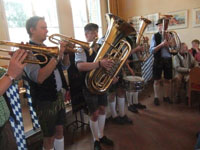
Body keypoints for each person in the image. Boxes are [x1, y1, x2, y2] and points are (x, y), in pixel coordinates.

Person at [24, 16, 70, 150]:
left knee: (60, 130)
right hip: (44, 100)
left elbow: (65, 67)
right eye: (43, 27)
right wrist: (57, 57)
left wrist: (65, 53)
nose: (47, 30)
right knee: (49, 137)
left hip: (58, 96)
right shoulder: (27, 51)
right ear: (32, 30)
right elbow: (39, 77)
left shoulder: (48, 48)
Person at [75, 23, 114, 150]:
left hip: (101, 83)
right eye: (92, 32)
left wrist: (111, 76)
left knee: (102, 109)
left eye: (96, 32)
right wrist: (99, 63)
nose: (96, 34)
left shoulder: (100, 47)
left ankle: (101, 135)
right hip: (88, 85)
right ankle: (95, 139)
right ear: (86, 35)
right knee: (95, 113)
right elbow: (80, 66)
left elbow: (107, 64)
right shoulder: (81, 48)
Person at [0, 49, 27, 150]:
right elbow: (9, 76)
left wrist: (18, 63)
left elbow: (15, 78)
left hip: (5, 124)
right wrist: (10, 75)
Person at [150, 18, 173, 106]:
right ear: (158, 26)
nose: (163, 27)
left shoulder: (170, 35)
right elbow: (152, 50)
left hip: (168, 59)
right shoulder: (154, 36)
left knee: (167, 80)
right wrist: (162, 44)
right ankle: (156, 97)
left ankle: (166, 96)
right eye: (161, 25)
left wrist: (170, 43)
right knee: (157, 80)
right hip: (158, 59)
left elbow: (175, 48)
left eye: (165, 25)